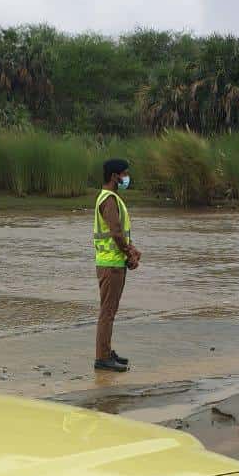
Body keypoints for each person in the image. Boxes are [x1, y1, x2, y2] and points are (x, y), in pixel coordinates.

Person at [93, 158, 141, 372]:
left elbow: (120, 232)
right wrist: (129, 251)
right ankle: (102, 358)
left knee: (110, 311)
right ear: (114, 177)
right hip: (110, 264)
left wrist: (132, 249)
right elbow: (115, 232)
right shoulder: (109, 200)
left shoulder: (111, 198)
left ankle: (106, 351)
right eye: (124, 174)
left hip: (114, 262)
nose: (126, 178)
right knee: (107, 312)